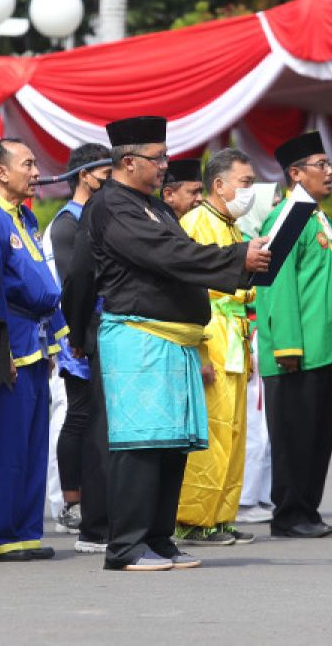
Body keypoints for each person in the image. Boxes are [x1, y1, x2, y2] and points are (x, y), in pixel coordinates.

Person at [88, 116, 270, 571]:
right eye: (159, 158)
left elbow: (181, 258)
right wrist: (235, 258)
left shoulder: (156, 207)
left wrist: (241, 258)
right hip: (138, 337)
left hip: (174, 340)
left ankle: (158, 538)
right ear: (128, 162)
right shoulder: (113, 205)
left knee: (172, 445)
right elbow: (167, 256)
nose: (167, 165)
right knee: (142, 444)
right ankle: (125, 546)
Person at [255, 131, 332, 538]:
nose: (331, 172)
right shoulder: (287, 216)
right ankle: (290, 514)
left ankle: (309, 510)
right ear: (296, 174)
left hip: (323, 349)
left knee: (318, 438)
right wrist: (286, 344)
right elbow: (277, 285)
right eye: (322, 165)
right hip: (296, 350)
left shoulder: (318, 216)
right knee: (295, 438)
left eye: (330, 164)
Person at [0, 139, 68, 561]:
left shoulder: (26, 217)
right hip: (10, 343)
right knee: (5, 444)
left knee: (33, 442)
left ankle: (27, 532)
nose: (35, 171)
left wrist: (56, 340)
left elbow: (44, 280)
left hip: (37, 341)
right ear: (1, 173)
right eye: (26, 164)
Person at [173, 148, 259, 547]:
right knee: (211, 432)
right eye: (245, 182)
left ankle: (222, 516)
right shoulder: (196, 222)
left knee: (235, 431)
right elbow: (188, 289)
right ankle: (193, 518)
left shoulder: (232, 227)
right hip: (211, 336)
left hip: (235, 336)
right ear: (219, 185)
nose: (250, 191)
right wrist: (200, 351)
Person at [43, 144, 111, 536]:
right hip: (78, 332)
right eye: (105, 171)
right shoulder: (68, 223)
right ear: (86, 175)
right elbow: (75, 285)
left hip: (99, 327)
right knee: (80, 415)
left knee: (96, 416)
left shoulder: (96, 217)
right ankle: (71, 501)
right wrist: (79, 336)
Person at [235, 182, 280, 525]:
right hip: (244, 337)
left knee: (264, 425)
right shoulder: (241, 247)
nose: (277, 206)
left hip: (257, 335)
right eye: (273, 202)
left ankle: (262, 493)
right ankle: (247, 496)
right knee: (251, 422)